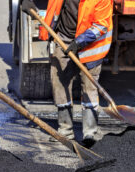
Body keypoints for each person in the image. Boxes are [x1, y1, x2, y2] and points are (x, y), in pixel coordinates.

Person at [21, 0, 113, 147]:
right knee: (59, 81)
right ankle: (65, 129)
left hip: (91, 44)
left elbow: (101, 25)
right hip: (62, 38)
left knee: (89, 85)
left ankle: (91, 131)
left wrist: (79, 43)